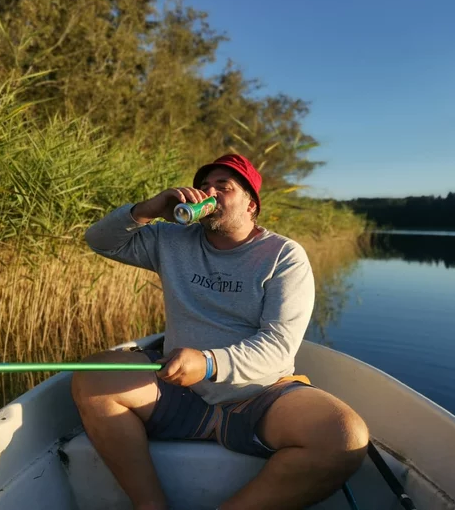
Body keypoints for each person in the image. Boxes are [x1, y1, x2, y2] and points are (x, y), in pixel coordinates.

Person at [72, 154, 369, 510]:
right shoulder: (170, 239)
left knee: (344, 436)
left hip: (259, 396)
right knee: (92, 379)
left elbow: (278, 345)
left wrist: (209, 362)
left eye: (222, 187)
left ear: (251, 204)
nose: (208, 193)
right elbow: (100, 240)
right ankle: (150, 505)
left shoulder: (283, 255)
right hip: (179, 391)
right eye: (204, 186)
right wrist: (147, 210)